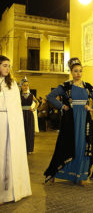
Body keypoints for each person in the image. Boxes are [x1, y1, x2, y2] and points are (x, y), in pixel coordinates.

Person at [44, 57, 93, 185]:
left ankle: (80, 175)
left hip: (84, 119)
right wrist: (61, 106)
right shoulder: (65, 86)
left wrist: (91, 107)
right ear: (71, 72)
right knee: (67, 145)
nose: (78, 73)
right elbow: (50, 96)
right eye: (75, 71)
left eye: (80, 71)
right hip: (71, 120)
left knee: (83, 146)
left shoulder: (87, 86)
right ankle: (54, 172)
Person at [0, 55, 32, 204]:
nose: (7, 68)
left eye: (8, 66)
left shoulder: (12, 84)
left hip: (10, 123)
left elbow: (15, 107)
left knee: (8, 155)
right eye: (4, 65)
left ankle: (9, 190)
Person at [20, 78, 39, 154]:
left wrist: (34, 109)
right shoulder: (18, 95)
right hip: (21, 115)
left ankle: (29, 149)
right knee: (22, 131)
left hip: (29, 114)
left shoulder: (31, 95)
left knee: (30, 131)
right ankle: (22, 148)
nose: (26, 87)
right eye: (24, 85)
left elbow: (37, 102)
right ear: (21, 86)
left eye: (27, 85)